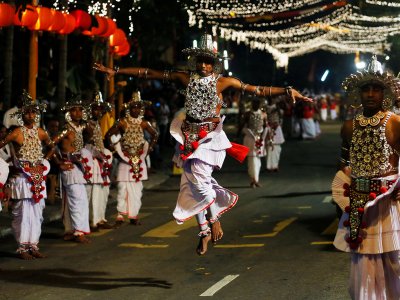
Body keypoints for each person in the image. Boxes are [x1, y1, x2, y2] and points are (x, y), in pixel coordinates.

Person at [94, 33, 311, 255]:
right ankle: (204, 231)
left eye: (208, 61)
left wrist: (287, 91)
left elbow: (257, 89)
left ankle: (215, 218)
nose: (204, 65)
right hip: (187, 136)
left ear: (214, 63)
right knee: (190, 186)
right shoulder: (185, 78)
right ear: (195, 61)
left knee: (198, 177)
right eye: (201, 61)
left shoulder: (223, 81)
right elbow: (149, 73)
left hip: (209, 137)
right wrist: (117, 71)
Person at [333, 56, 400, 299]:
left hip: (389, 199)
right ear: (358, 94)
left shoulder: (395, 122)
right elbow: (343, 164)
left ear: (386, 94)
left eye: (376, 89)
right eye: (366, 89)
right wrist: (340, 198)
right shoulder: (349, 126)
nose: (370, 94)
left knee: (393, 260)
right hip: (359, 201)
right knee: (362, 263)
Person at [0, 91, 52, 259]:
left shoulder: (42, 132)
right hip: (22, 177)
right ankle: (22, 247)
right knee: (22, 213)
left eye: (34, 112)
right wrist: (8, 165)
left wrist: (45, 161)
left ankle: (33, 245)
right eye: (28, 112)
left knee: (37, 213)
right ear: (22, 114)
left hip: (38, 177)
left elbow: (52, 148)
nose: (31, 115)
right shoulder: (16, 133)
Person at [105, 92, 158, 226]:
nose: (136, 109)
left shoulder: (144, 123)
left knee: (137, 189)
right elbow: (108, 134)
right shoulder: (122, 122)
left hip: (139, 158)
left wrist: (150, 148)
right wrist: (114, 149)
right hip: (125, 158)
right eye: (134, 107)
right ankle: (120, 215)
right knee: (122, 188)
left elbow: (155, 135)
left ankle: (134, 215)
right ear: (129, 108)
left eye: (138, 107)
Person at [56, 96, 91, 243]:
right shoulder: (65, 129)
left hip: (78, 169)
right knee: (76, 200)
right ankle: (78, 232)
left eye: (80, 110)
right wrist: (60, 162)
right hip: (69, 169)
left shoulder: (81, 128)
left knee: (80, 200)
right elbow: (52, 145)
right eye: (74, 110)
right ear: (68, 113)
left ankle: (71, 230)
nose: (78, 113)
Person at [85, 92, 113, 231]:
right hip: (91, 161)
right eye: (95, 108)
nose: (98, 111)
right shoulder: (87, 125)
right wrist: (100, 155)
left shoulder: (96, 124)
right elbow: (87, 145)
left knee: (103, 192)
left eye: (100, 109)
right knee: (93, 194)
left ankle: (100, 218)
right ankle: (92, 221)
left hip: (100, 162)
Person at [238, 98, 268, 187]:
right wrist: (237, 136)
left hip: (259, 139)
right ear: (252, 104)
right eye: (254, 103)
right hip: (250, 139)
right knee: (252, 159)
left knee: (257, 160)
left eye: (257, 103)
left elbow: (266, 126)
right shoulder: (247, 114)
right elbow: (242, 125)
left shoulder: (263, 114)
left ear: (260, 104)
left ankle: (255, 179)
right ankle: (253, 179)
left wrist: (267, 138)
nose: (256, 105)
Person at [266, 97, 285, 172]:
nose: (271, 99)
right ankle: (269, 166)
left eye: (273, 98)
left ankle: (275, 165)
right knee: (269, 147)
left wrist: (278, 109)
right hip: (269, 128)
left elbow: (281, 117)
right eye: (270, 98)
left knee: (277, 148)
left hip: (277, 128)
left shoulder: (278, 109)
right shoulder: (265, 108)